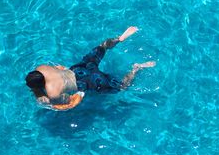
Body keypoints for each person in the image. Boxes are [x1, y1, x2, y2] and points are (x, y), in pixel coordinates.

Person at [25, 26, 156, 110]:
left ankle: (136, 68)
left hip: (87, 81)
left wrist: (43, 98)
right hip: (79, 68)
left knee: (122, 87)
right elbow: (59, 67)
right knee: (102, 47)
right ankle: (120, 39)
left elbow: (71, 102)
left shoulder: (53, 92)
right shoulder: (41, 67)